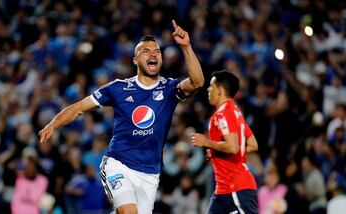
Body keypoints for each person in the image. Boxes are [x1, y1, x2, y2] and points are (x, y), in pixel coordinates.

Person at [38, 19, 204, 214]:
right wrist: (53, 124)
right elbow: (79, 108)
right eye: (146, 51)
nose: (153, 54)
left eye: (157, 51)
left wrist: (186, 47)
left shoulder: (169, 88)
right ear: (135, 60)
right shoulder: (118, 88)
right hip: (119, 164)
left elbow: (197, 82)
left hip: (150, 173)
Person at [191, 70, 258, 214]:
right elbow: (252, 144)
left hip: (235, 186)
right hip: (223, 189)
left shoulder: (222, 114)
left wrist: (207, 143)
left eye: (211, 86)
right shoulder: (236, 112)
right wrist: (217, 150)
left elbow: (233, 147)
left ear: (220, 91)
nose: (208, 89)